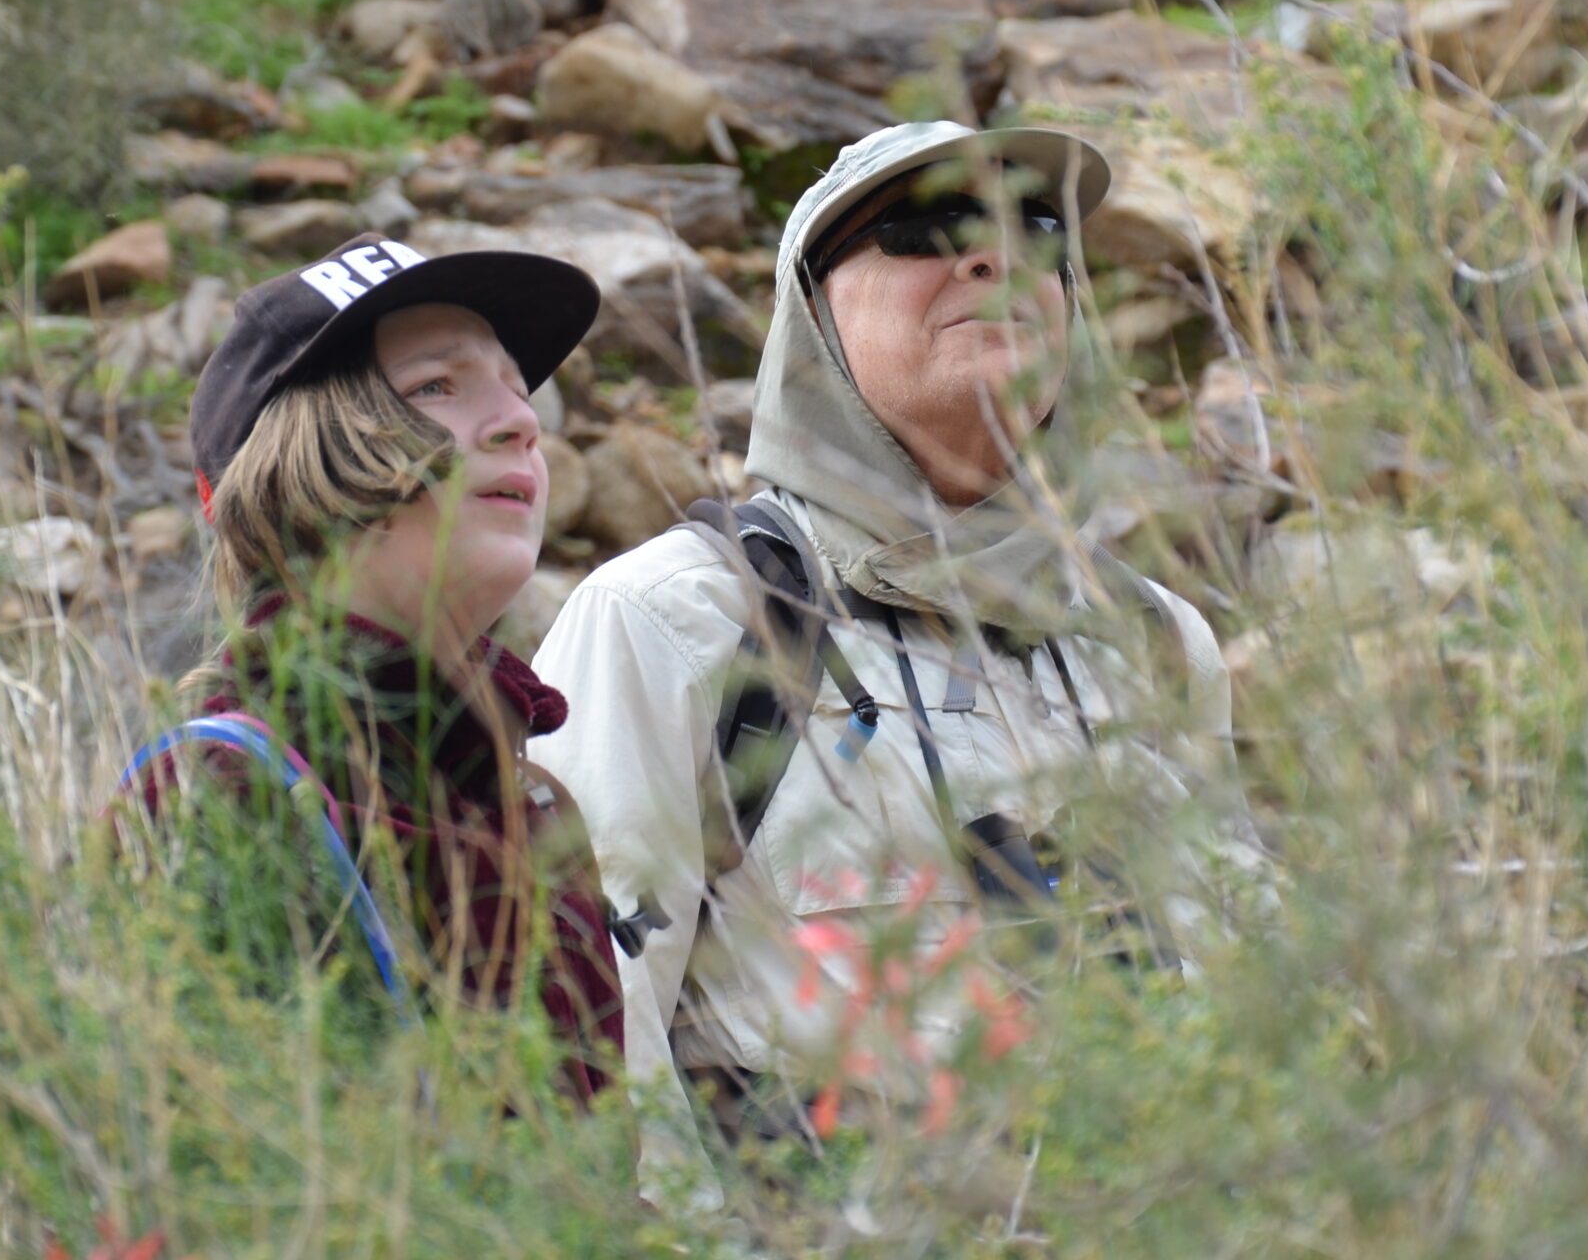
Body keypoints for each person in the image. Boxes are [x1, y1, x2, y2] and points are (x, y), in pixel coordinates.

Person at [526, 121, 1237, 1186]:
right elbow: (597, 1047)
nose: (993, 257)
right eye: (925, 226)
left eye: (1036, 230)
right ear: (813, 316)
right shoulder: (678, 620)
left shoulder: (1154, 641)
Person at [130, 233, 623, 1097]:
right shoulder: (219, 791)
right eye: (436, 387)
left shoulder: (535, 802)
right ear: (298, 466)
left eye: (517, 388)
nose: (523, 422)